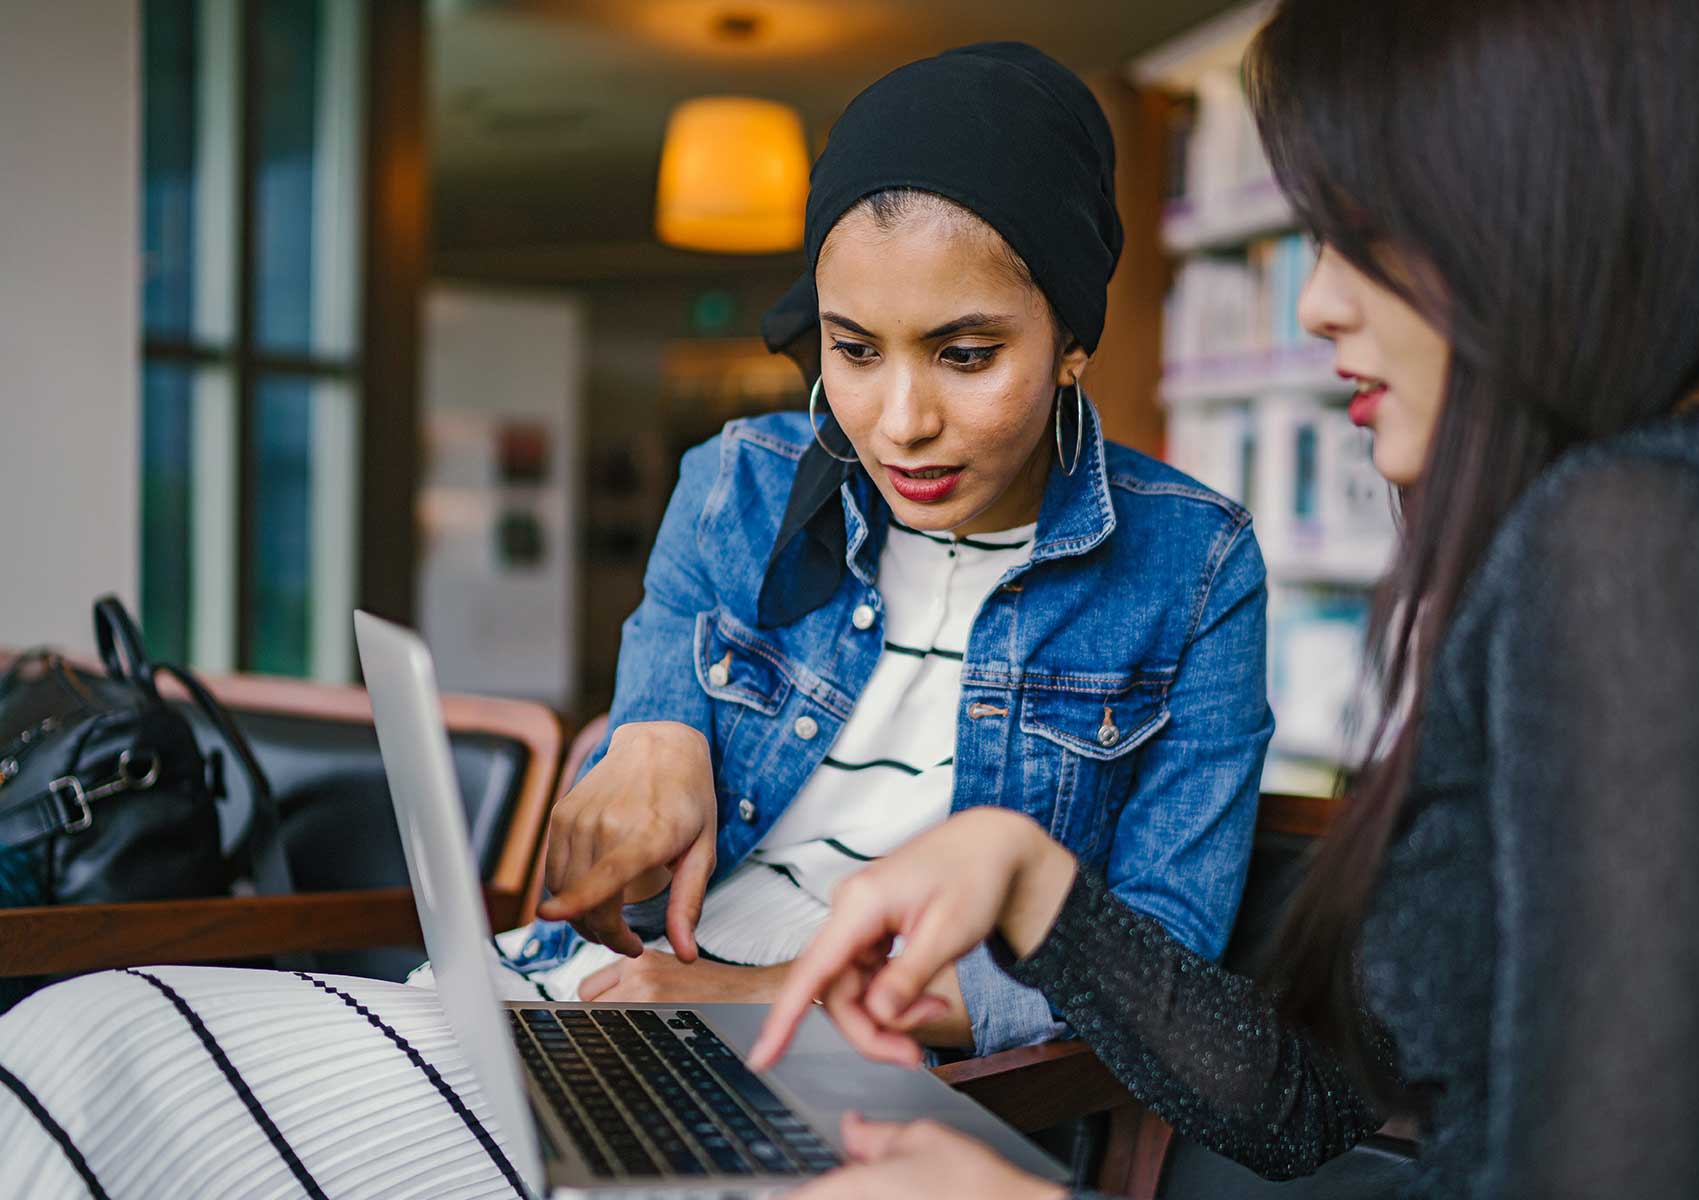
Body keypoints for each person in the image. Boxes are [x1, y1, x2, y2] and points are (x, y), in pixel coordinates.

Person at [0, 43, 1273, 1198]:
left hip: (862, 1078)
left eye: (965, 354)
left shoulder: (1195, 566)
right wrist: (647, 737)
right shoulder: (739, 483)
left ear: (1071, 339)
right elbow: (641, 753)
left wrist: (747, 992)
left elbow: (1152, 969)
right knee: (76, 1035)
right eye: (853, 349)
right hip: (590, 1000)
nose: (899, 423)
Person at [749, 2, 1699, 1197]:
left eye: (1365, 232)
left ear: (1561, 196)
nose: (1316, 305)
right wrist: (1036, 888)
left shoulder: (1656, 538)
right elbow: (1309, 1107)